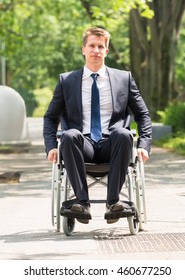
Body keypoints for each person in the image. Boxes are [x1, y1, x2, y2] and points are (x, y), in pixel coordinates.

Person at [43, 27, 152, 224]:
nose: (96, 50)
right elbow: (51, 117)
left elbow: (142, 114)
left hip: (113, 146)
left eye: (101, 46)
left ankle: (113, 203)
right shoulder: (67, 81)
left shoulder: (123, 78)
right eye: (92, 45)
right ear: (83, 49)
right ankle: (81, 204)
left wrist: (144, 145)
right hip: (81, 146)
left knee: (123, 133)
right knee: (68, 135)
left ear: (106, 51)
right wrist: (51, 145)